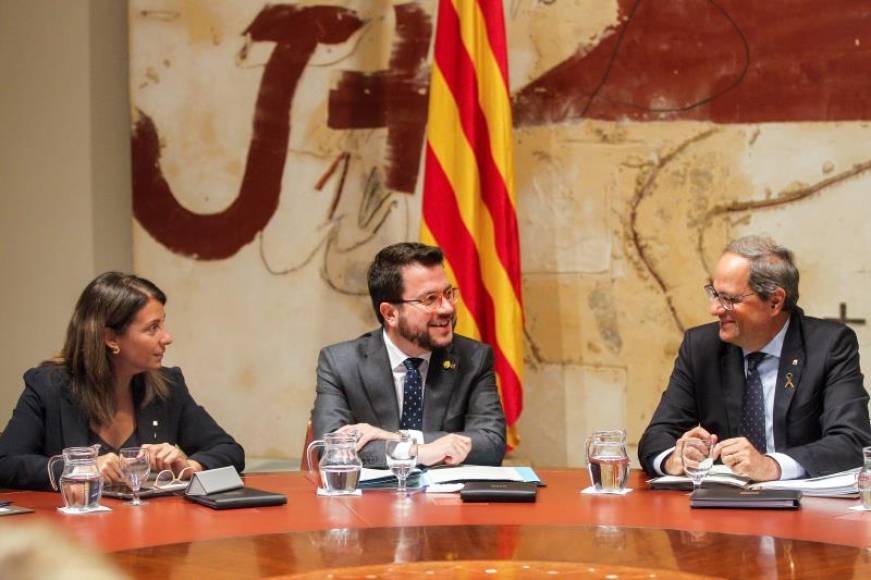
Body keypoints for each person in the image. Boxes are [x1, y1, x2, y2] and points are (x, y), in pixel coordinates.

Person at [638, 235, 871, 481]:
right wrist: (674, 458)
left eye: (730, 299)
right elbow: (656, 437)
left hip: (803, 501)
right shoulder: (701, 347)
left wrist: (771, 466)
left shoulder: (828, 346)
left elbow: (852, 441)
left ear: (774, 301)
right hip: (722, 500)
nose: (714, 309)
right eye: (714, 294)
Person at [0, 272, 245, 490]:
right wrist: (80, 468)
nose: (167, 338)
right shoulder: (48, 387)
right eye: (153, 328)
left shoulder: (167, 386)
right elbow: (6, 462)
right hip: (72, 525)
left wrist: (190, 465)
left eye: (163, 324)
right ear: (111, 339)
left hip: (152, 524)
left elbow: (229, 450)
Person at [311, 242, 506, 468]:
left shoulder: (473, 359)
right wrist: (418, 452)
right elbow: (331, 448)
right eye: (430, 299)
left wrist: (394, 438)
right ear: (390, 314)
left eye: (448, 294)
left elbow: (491, 443)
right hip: (377, 492)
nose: (447, 308)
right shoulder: (341, 364)